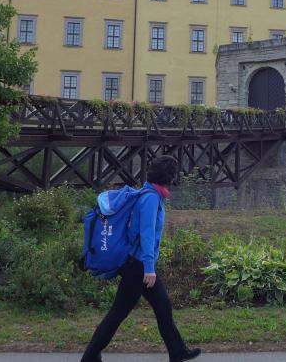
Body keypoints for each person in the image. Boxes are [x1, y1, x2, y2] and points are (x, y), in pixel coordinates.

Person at [81, 155, 201, 362]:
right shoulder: (150, 199)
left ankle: (177, 351)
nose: (175, 178)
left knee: (162, 306)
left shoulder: (152, 194)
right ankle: (90, 356)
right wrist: (149, 268)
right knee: (118, 313)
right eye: (173, 174)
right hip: (138, 266)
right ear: (167, 177)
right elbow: (146, 235)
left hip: (138, 264)